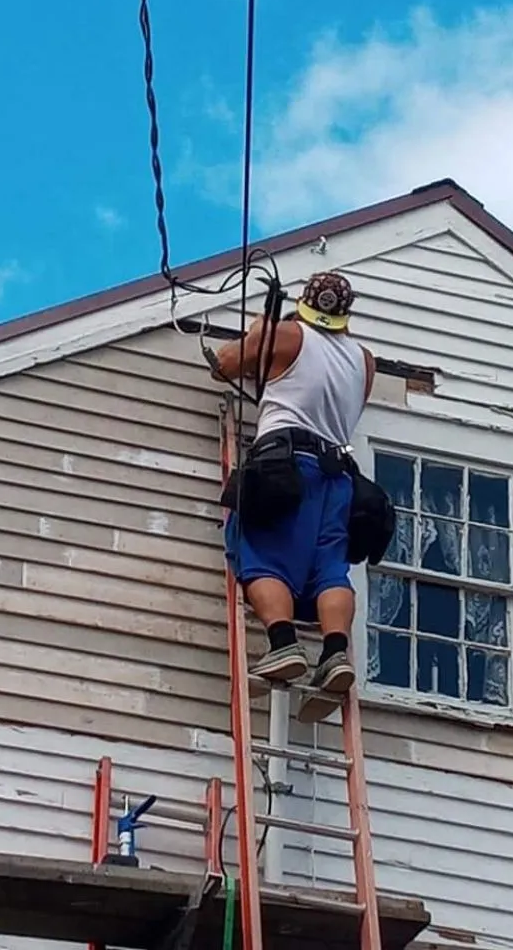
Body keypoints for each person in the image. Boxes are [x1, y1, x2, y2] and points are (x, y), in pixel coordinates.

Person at [211, 271, 375, 722]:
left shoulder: (285, 335)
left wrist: (257, 331)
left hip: (287, 465)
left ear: (304, 304)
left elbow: (226, 363)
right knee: (329, 569)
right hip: (338, 479)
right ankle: (335, 652)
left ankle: (283, 644)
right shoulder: (365, 360)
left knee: (260, 552)